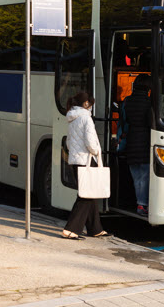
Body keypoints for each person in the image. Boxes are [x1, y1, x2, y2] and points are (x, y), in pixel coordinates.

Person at [61, 91, 110, 240]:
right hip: (86, 159)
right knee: (85, 195)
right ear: (86, 104)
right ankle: (71, 229)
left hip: (76, 159)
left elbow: (69, 142)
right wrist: (96, 151)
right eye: (91, 104)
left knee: (90, 191)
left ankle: (95, 228)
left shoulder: (73, 118)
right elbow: (90, 142)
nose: (92, 108)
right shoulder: (86, 119)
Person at [119, 74, 152, 216]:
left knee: (137, 177)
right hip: (145, 142)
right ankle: (142, 204)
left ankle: (140, 202)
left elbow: (123, 121)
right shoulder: (150, 102)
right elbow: (150, 122)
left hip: (131, 141)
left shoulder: (127, 101)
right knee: (145, 176)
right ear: (148, 87)